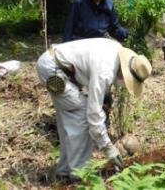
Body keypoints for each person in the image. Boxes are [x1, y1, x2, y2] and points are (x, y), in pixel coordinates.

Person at [36, 38, 151, 181]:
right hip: (53, 69)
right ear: (124, 74)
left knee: (69, 119)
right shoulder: (105, 71)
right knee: (81, 115)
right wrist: (108, 147)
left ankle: (64, 172)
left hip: (55, 64)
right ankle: (79, 175)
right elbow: (94, 115)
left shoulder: (116, 52)